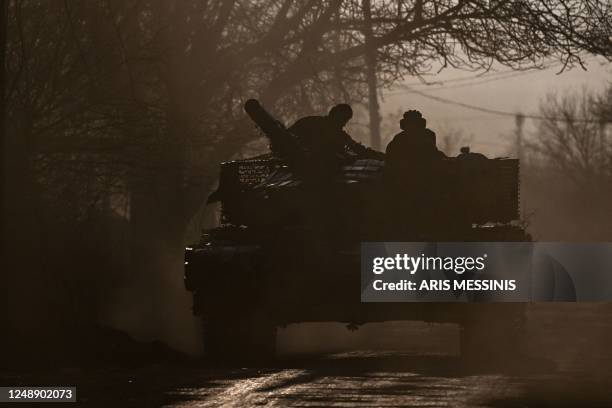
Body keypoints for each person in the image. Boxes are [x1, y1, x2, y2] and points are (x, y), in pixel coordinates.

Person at [288, 104, 384, 167]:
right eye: (344, 119)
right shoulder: (335, 133)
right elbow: (357, 149)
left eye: (346, 120)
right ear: (337, 116)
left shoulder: (310, 121)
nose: (344, 124)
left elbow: (357, 148)